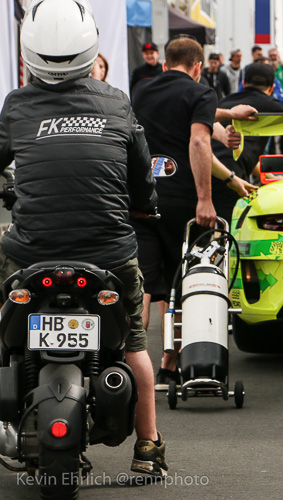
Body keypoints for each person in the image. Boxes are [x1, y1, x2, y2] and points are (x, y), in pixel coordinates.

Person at [0, 0, 167, 476]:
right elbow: (142, 178)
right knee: (134, 344)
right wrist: (148, 206)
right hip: (110, 254)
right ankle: (148, 447)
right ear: (89, 45)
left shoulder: (17, 105)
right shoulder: (115, 100)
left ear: (28, 50)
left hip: (30, 254)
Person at [130, 37, 256, 389]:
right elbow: (199, 141)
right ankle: (171, 364)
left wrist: (229, 115)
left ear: (166, 61)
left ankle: (130, 365)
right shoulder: (201, 92)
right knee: (186, 283)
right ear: (199, 66)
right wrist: (206, 199)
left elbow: (191, 112)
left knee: (141, 285)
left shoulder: (142, 91)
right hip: (182, 204)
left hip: (141, 200)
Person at [211, 63, 283, 222]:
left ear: (243, 83)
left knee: (206, 234)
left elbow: (244, 154)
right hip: (231, 177)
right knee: (233, 231)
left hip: (205, 169)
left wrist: (269, 176)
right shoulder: (272, 107)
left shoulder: (224, 103)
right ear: (272, 87)